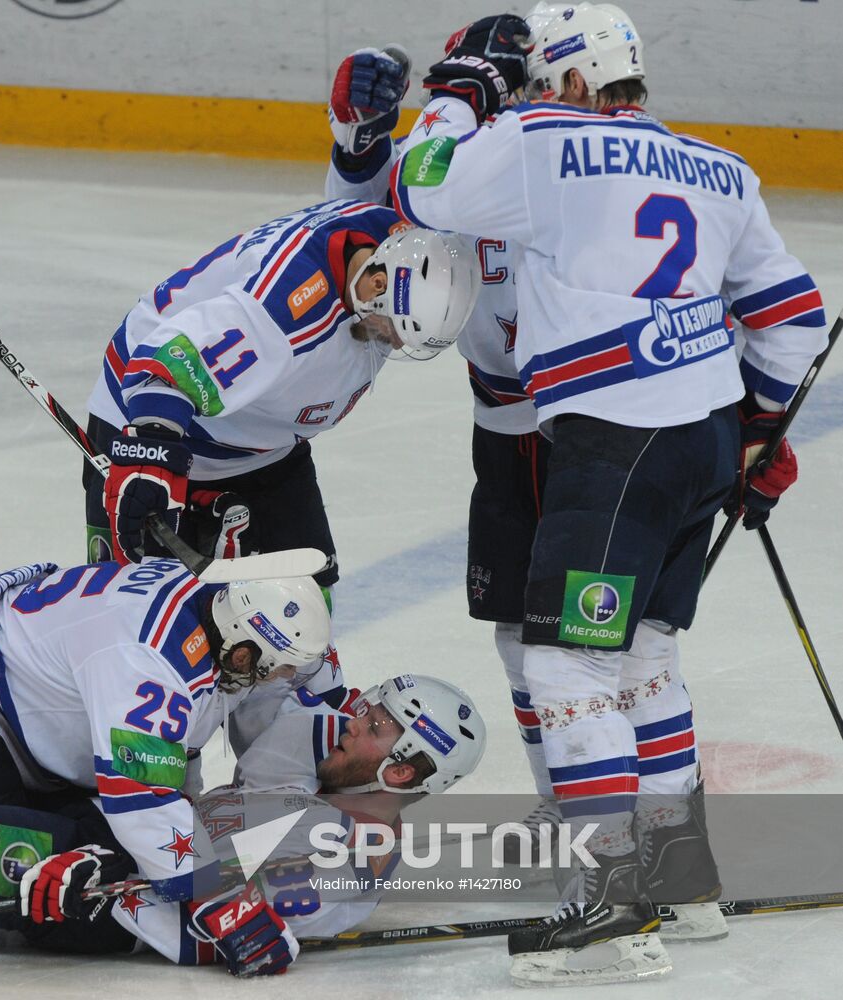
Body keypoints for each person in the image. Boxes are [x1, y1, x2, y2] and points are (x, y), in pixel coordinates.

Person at [388, 5, 828, 985]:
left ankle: (611, 912)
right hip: (703, 439)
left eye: (550, 82)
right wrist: (760, 429)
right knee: (640, 658)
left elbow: (419, 187)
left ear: (575, 83)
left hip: (611, 441)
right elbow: (794, 315)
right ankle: (682, 884)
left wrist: (460, 90)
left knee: (565, 666)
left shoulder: (542, 138)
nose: (545, 97)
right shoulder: (717, 165)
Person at [0, 557, 332, 974]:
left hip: (16, 704)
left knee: (99, 858)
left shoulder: (219, 603)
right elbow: (140, 800)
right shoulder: (152, 660)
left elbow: (173, 748)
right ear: (242, 652)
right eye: (274, 668)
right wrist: (227, 905)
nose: (276, 678)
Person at [325, 39, 555, 827]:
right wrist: (359, 140)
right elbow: (359, 226)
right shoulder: (456, 152)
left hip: (591, 431)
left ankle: (646, 816)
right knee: (525, 638)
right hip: (507, 435)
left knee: (611, 646)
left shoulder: (552, 147)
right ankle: (570, 804)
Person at [0, 673, 486, 976]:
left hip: (102, 893)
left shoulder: (343, 864)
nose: (351, 721)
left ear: (403, 773)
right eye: (366, 709)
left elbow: (205, 931)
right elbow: (277, 701)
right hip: (114, 825)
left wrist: (109, 889)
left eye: (376, 727)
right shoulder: (323, 774)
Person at [84, 200, 481, 589]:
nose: (393, 344)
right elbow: (167, 366)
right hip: (163, 423)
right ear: (377, 285)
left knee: (305, 603)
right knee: (154, 614)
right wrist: (151, 460)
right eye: (394, 328)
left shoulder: (390, 239)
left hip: (265, 439)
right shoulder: (283, 317)